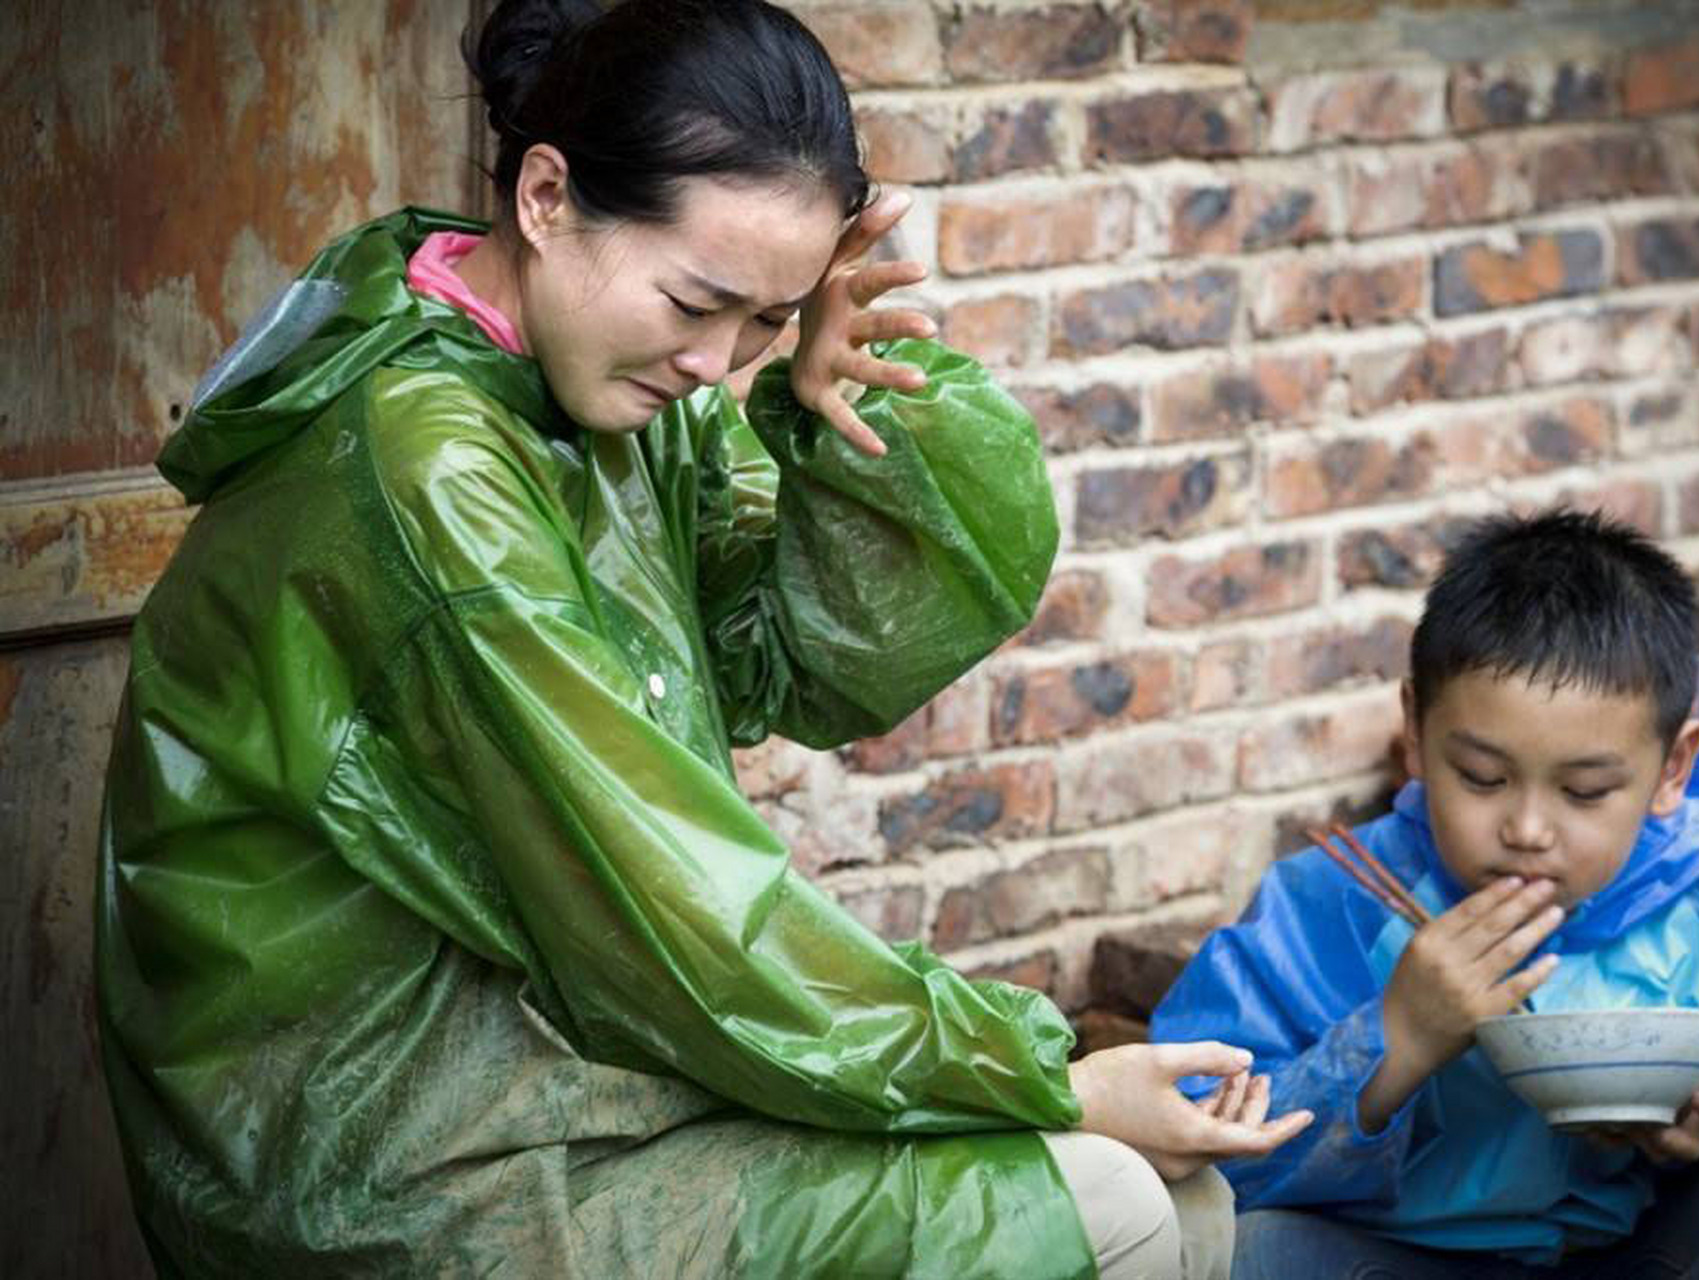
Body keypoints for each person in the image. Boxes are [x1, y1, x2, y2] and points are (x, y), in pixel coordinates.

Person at [94, 2, 1311, 1275]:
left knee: (1176, 1202)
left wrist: (837, 414)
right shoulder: (426, 468)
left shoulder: (608, 387)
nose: (713, 358)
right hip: (386, 1137)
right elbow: (665, 908)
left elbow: (787, 657)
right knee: (1108, 1202)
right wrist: (1044, 1075)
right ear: (548, 196)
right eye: (699, 300)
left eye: (765, 324)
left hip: (574, 1064)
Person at [1151, 509, 1699, 1278]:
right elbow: (1185, 1148)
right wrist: (1394, 1044)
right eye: (1482, 778)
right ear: (1416, 729)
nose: (1526, 828)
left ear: (1674, 766)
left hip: (1655, 1257)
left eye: (1585, 791)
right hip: (1409, 1262)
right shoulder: (1333, 903)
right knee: (1255, 1255)